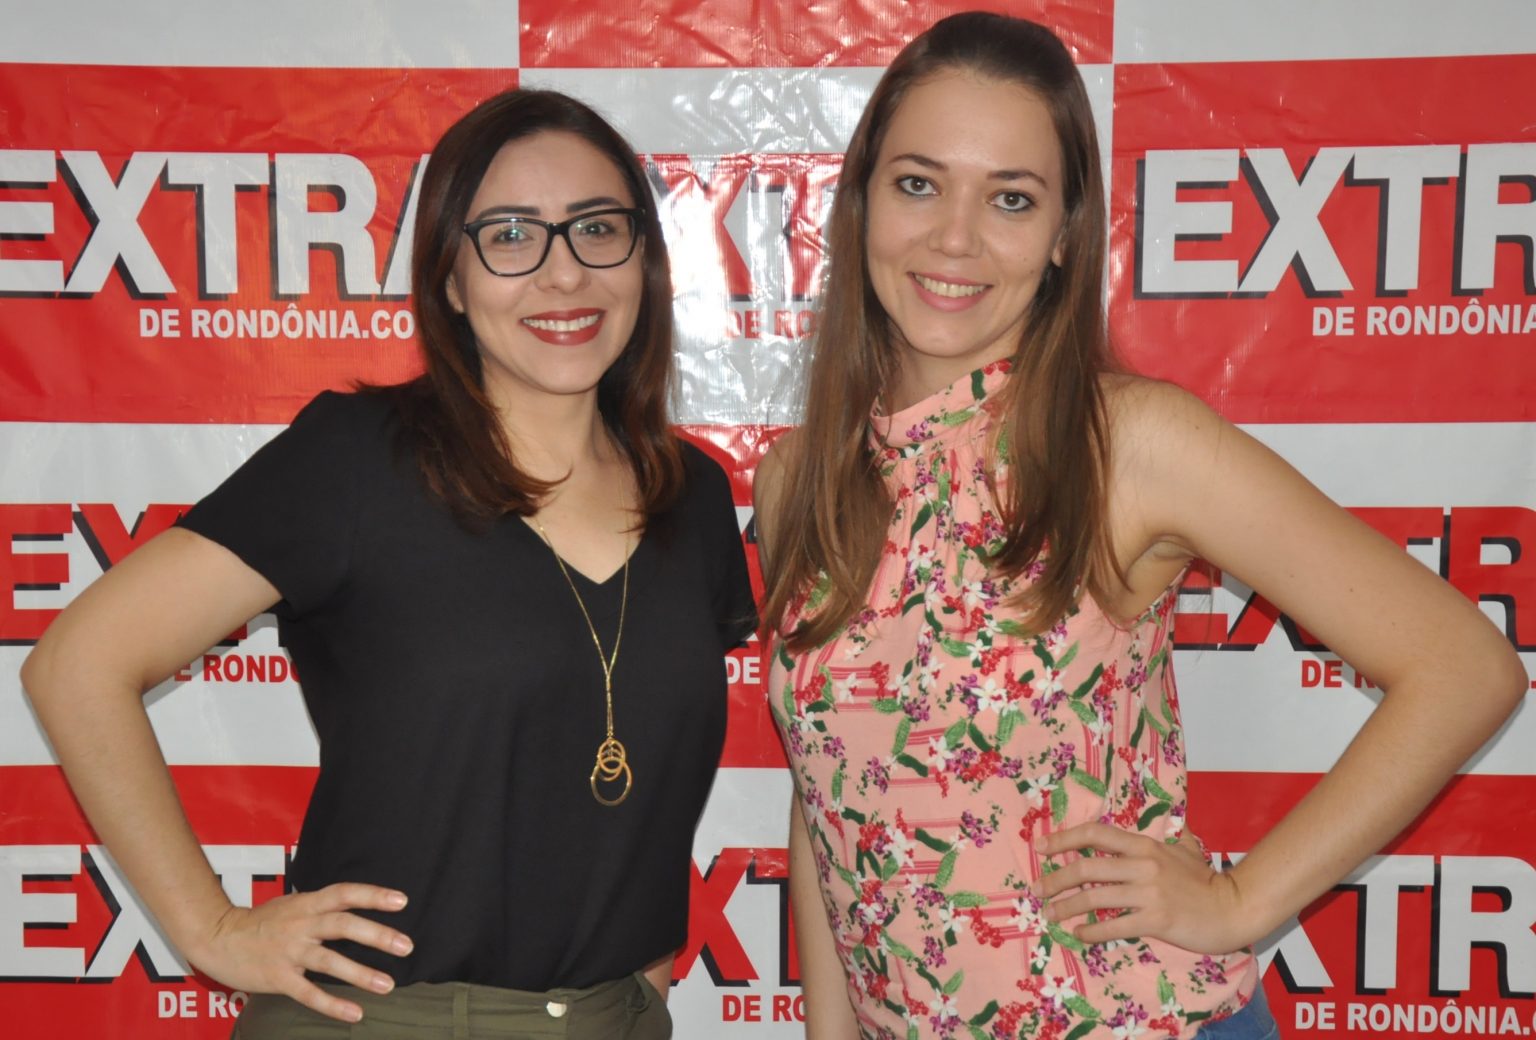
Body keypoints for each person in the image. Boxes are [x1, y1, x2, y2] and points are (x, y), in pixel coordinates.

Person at [753, 13, 1525, 1040]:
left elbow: (1465, 667)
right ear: (860, 204)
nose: (955, 238)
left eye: (1011, 198)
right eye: (919, 184)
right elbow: (828, 790)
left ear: (1065, 234)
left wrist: (1240, 901)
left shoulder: (1125, 443)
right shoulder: (797, 480)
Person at [22, 88, 756, 1038]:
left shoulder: (693, 496)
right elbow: (77, 665)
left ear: (644, 260)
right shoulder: (359, 461)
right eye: (510, 236)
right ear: (450, 279)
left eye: (596, 229)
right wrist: (212, 929)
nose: (563, 273)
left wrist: (636, 989)